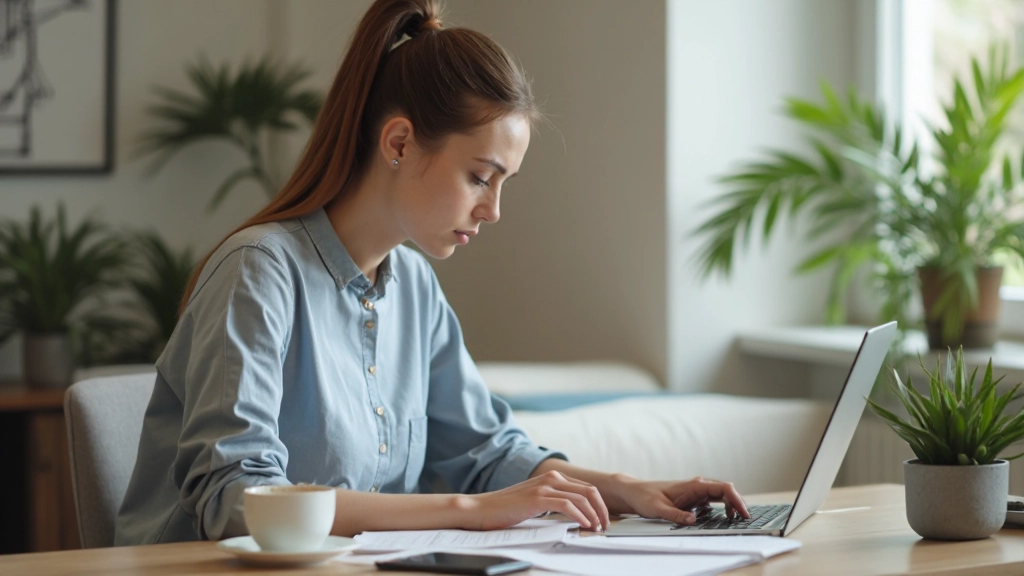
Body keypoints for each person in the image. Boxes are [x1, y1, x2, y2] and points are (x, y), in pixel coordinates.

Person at [114, 0, 749, 546]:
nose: (493, 210)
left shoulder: (414, 289)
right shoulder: (258, 272)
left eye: (503, 183)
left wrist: (627, 489)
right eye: (479, 177)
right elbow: (236, 500)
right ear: (398, 143)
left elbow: (486, 454)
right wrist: (469, 511)